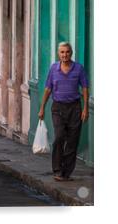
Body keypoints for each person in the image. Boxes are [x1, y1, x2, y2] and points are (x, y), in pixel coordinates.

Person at [38, 42, 89, 182]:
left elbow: (84, 88)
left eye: (67, 52)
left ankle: (66, 173)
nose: (64, 55)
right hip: (58, 108)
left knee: (72, 141)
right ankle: (57, 170)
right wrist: (42, 107)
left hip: (75, 108)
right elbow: (48, 89)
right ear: (58, 54)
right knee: (59, 137)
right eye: (62, 52)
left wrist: (85, 108)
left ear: (71, 53)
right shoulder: (53, 68)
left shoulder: (79, 68)